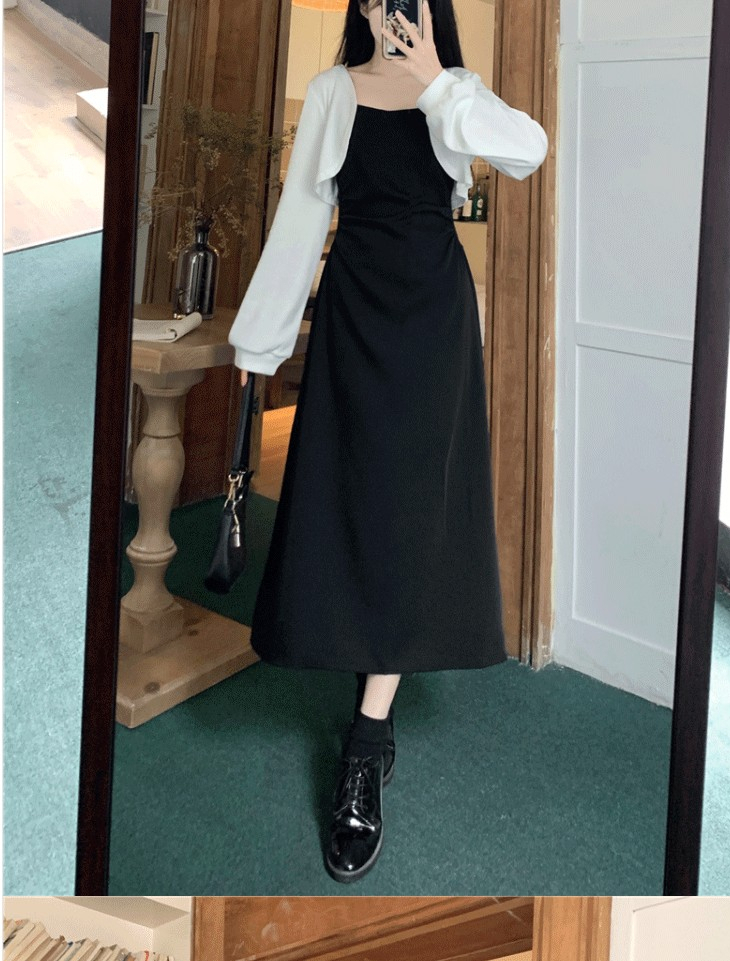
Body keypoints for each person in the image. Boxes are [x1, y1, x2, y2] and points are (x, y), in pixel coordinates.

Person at [227, 0, 548, 883]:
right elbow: (301, 219)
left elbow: (529, 149)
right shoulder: (332, 92)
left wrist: (436, 82)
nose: (387, 12)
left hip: (435, 324)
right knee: (347, 499)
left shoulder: (456, 91)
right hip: (354, 313)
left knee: (412, 513)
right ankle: (367, 684)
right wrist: (258, 346)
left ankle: (366, 744)